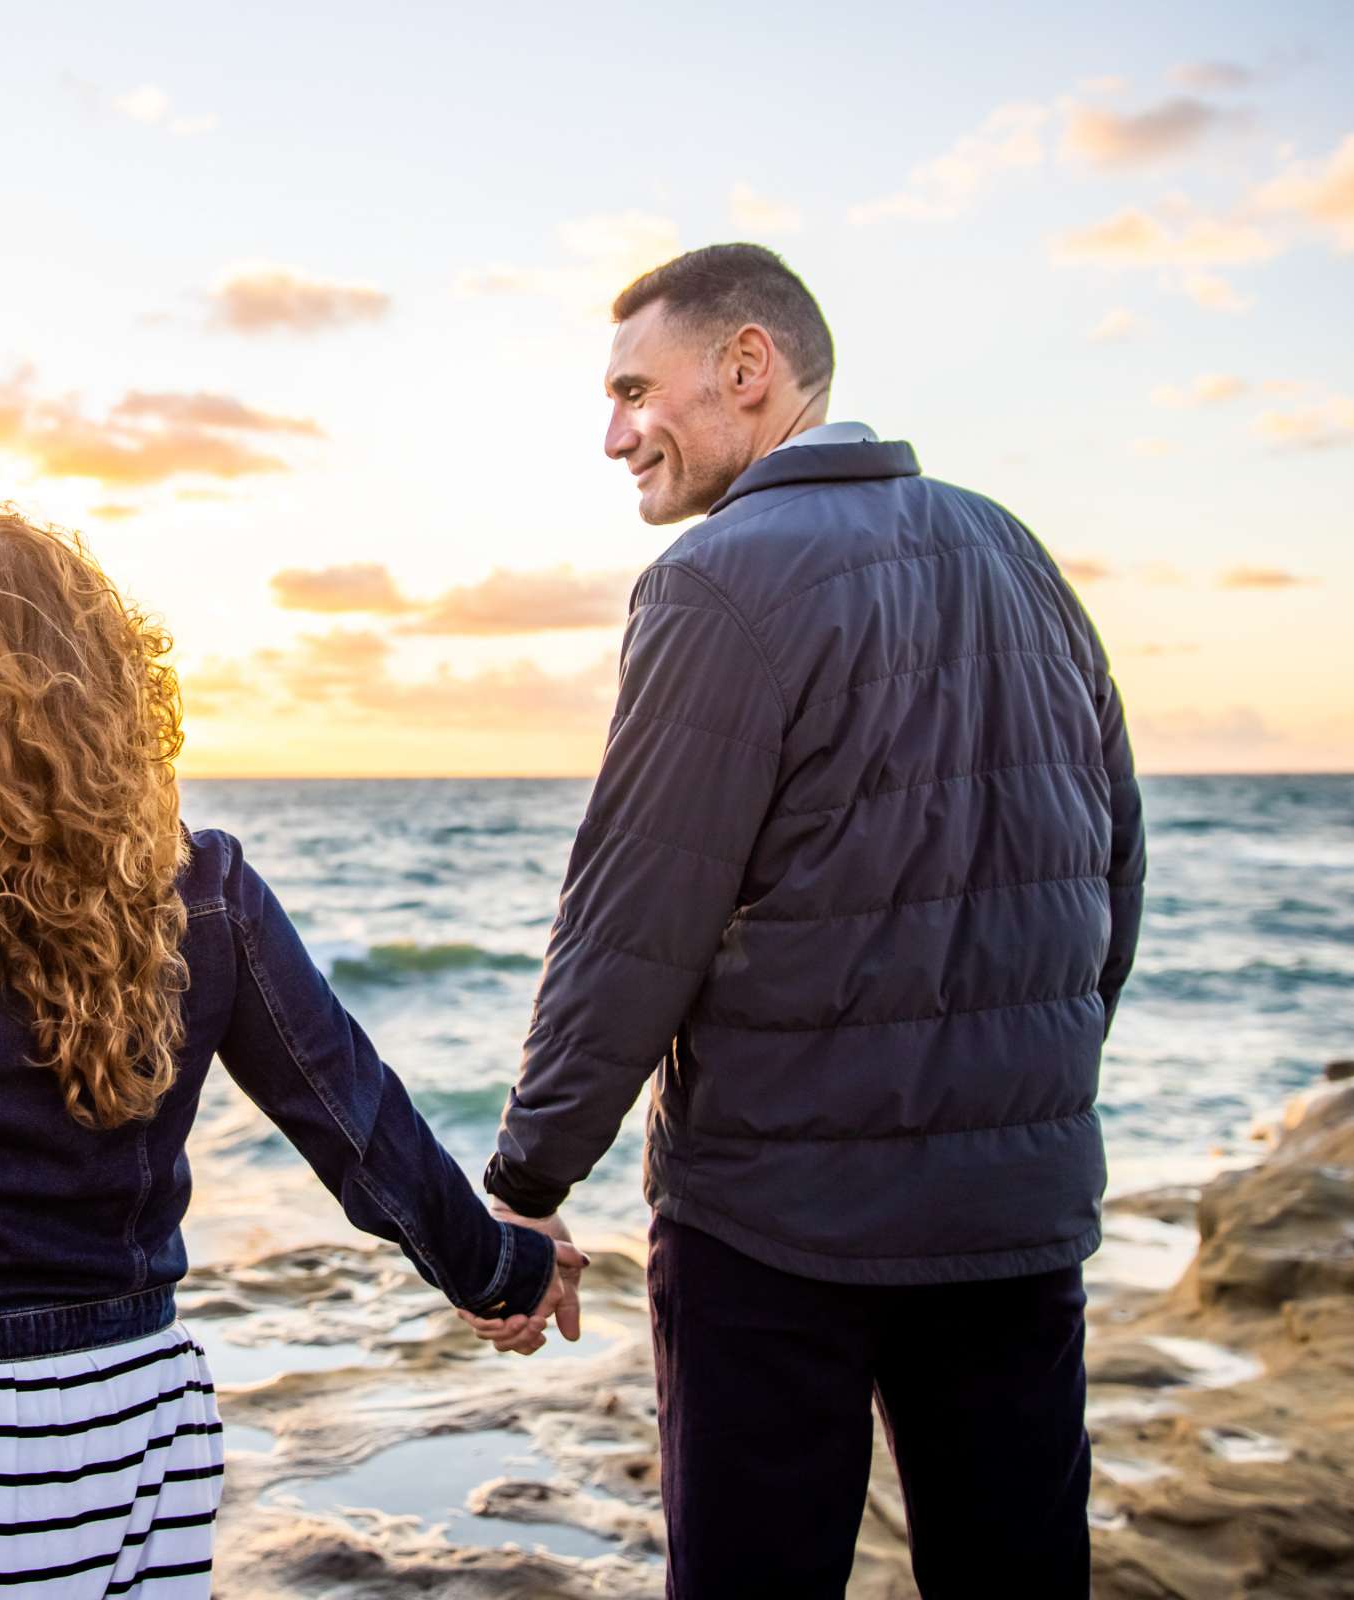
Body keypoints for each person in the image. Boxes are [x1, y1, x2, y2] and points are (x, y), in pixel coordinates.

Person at [0, 511, 585, 1597]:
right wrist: (497, 1266)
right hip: (114, 1429)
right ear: (99, 678)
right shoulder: (204, 894)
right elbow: (354, 1122)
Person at [460, 244, 1145, 1597]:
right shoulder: (1015, 549)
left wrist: (530, 1187)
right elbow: (1112, 870)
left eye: (634, 390)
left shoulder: (719, 579)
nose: (614, 436)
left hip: (776, 1232)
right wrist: (1028, 1093)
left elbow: (632, 919)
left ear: (747, 368)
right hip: (1016, 1210)